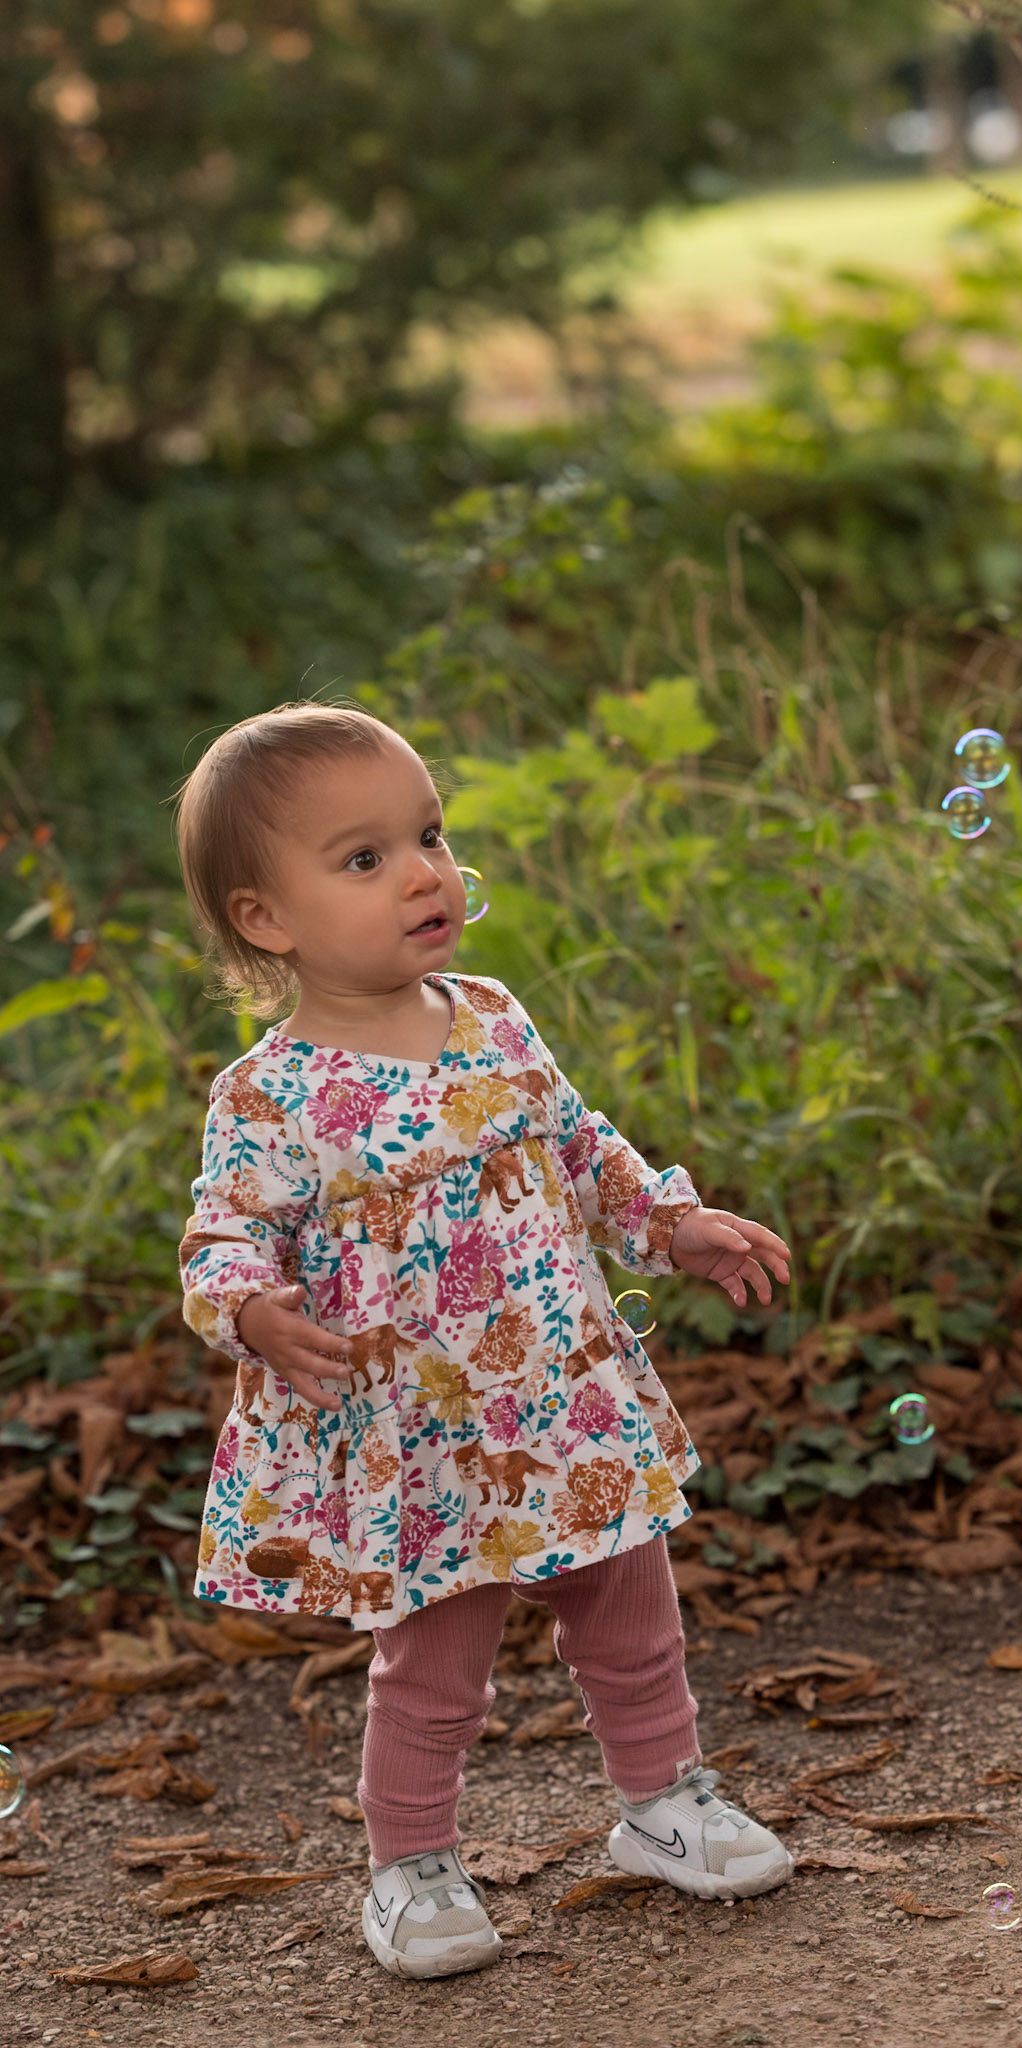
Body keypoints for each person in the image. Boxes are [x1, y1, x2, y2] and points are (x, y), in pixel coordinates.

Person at [172, 700, 796, 1980]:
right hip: (420, 1429)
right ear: (264, 917)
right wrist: (252, 1308)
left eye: (430, 835)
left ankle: (662, 1798)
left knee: (630, 1607)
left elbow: (579, 1145)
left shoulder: (495, 1016)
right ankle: (409, 1863)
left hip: (558, 1392)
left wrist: (667, 1222)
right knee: (436, 1659)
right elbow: (223, 1231)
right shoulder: (270, 1094)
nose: (423, 872)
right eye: (364, 858)